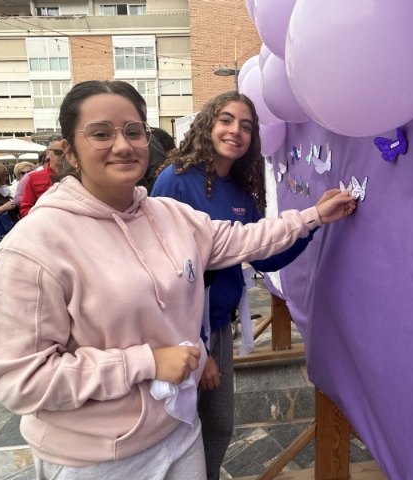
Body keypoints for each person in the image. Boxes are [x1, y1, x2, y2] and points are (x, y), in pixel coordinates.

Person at [0, 80, 355, 479]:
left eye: (134, 131)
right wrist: (146, 362)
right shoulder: (33, 247)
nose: (123, 145)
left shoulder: (172, 218)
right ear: (69, 149)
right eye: (102, 133)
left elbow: (248, 238)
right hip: (96, 458)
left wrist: (314, 215)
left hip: (179, 431)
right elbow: (22, 380)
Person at [151, 91, 323, 479]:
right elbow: (165, 277)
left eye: (246, 126)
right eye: (226, 120)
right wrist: (196, 347)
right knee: (177, 431)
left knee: (218, 427)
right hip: (180, 334)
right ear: (207, 124)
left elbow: (264, 257)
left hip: (220, 328)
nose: (236, 131)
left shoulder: (243, 189)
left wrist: (313, 225)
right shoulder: (176, 181)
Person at [19, 134, 64, 216]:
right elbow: (25, 209)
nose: (63, 155)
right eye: (58, 152)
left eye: (66, 152)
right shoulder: (34, 177)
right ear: (48, 153)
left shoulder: (79, 176)